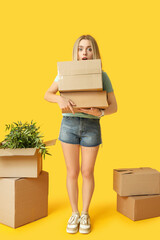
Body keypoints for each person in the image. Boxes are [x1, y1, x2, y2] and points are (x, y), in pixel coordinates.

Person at [44, 35, 117, 234]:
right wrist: (59, 101)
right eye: (81, 49)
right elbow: (48, 94)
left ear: (95, 52)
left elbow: (114, 107)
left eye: (89, 49)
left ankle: (85, 213)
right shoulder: (64, 74)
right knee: (72, 172)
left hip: (92, 127)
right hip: (69, 124)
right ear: (76, 53)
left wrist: (100, 112)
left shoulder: (102, 75)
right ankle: (74, 213)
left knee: (87, 172)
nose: (85, 53)